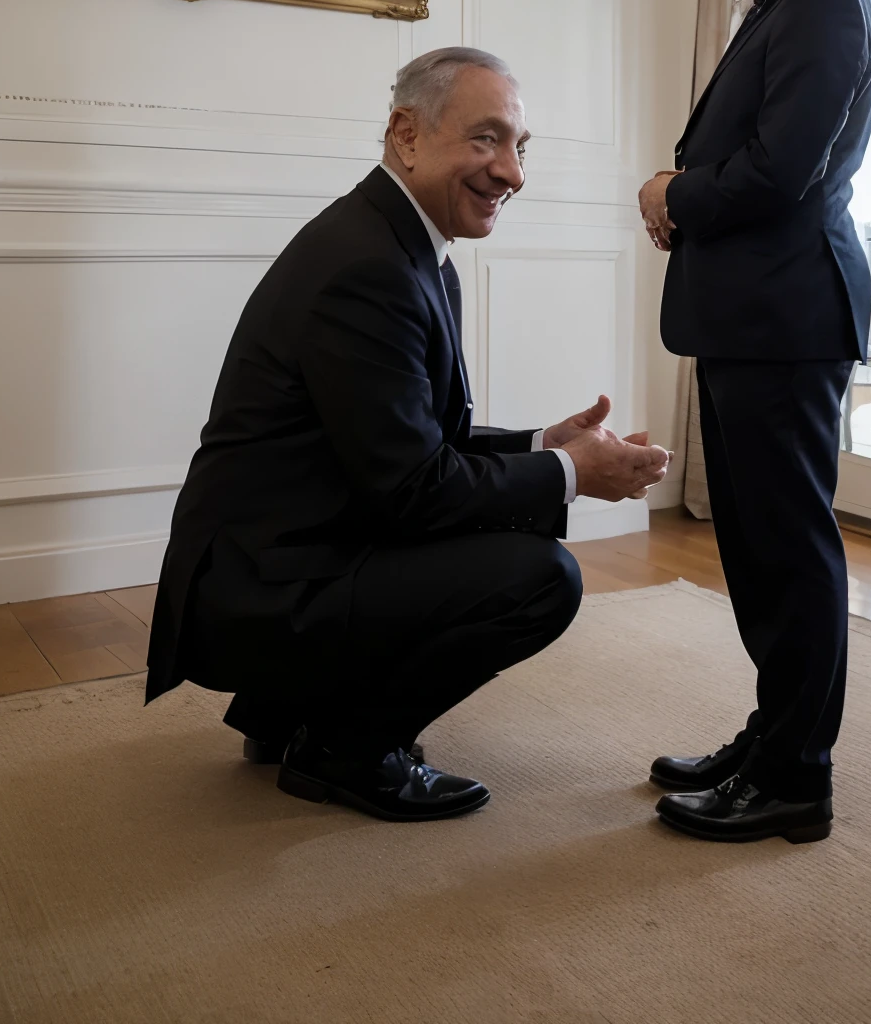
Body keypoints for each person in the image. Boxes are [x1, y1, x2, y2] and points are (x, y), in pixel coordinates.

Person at [147, 46, 670, 822]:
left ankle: (281, 714)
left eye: (520, 148)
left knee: (501, 524)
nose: (513, 173)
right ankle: (343, 749)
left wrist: (543, 445)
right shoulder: (372, 266)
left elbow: (414, 441)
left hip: (278, 552)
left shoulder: (400, 246)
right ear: (406, 134)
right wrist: (569, 474)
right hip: (260, 588)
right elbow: (413, 492)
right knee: (540, 579)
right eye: (486, 139)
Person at [638, 0, 871, 845]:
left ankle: (794, 776)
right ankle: (773, 732)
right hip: (755, 312)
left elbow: (782, 171)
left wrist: (674, 194)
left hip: (787, 315)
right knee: (758, 547)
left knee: (788, 552)